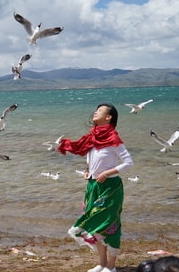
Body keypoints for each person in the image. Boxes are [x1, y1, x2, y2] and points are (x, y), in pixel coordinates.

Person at [57, 103, 134, 272]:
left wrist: (107, 173)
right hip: (93, 187)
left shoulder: (113, 139)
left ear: (109, 117)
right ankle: (102, 264)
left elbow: (129, 162)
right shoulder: (92, 137)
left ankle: (111, 267)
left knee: (109, 225)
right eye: (95, 110)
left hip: (110, 188)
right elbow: (92, 159)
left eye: (99, 111)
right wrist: (87, 171)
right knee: (94, 224)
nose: (95, 112)